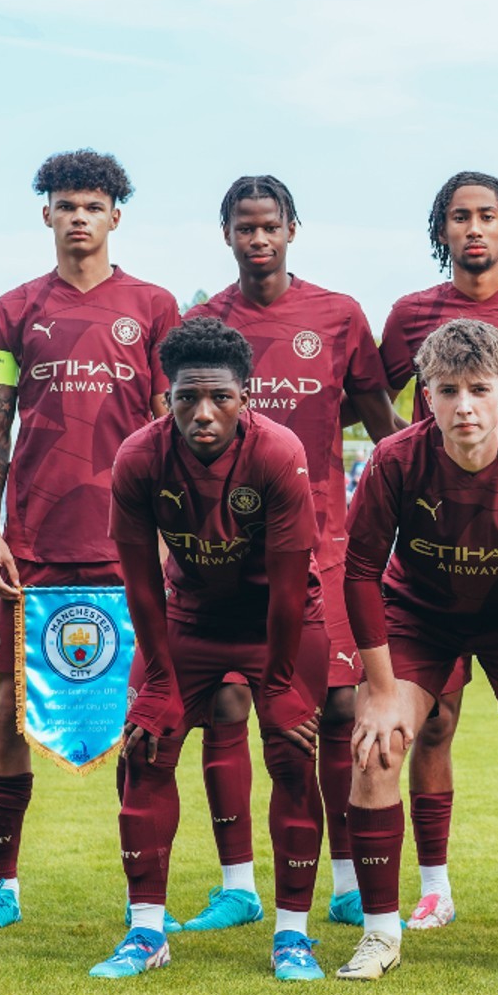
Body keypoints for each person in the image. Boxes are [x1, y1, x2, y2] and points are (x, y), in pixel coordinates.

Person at [0, 149, 188, 936]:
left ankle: (144, 902)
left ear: (116, 215)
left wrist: (174, 537)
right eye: (66, 205)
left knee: (147, 721)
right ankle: (2, 888)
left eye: (94, 204)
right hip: (33, 547)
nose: (80, 216)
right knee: (6, 709)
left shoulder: (155, 308)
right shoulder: (14, 309)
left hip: (132, 552)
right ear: (47, 215)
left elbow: (175, 434)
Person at [337, 319, 498, 982]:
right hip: (421, 617)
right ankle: (378, 934)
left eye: (478, 389)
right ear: (426, 394)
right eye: (448, 390)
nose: (463, 406)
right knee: (377, 746)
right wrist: (379, 690)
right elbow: (360, 573)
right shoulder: (395, 461)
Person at [187, 175, 404, 934]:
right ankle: (239, 885)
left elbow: (384, 420)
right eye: (244, 227)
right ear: (227, 235)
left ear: (292, 229)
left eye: (270, 226)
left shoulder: (338, 317)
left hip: (324, 543)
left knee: (341, 707)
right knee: (227, 704)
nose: (258, 239)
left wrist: (418, 490)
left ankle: (346, 881)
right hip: (224, 552)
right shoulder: (203, 324)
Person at [93, 318, 327, 981]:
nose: (203, 413)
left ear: (245, 397)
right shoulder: (139, 458)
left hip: (278, 622)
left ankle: (291, 935)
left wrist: (280, 683)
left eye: (219, 398)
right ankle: (145, 933)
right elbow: (140, 583)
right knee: (145, 748)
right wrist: (160, 681)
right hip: (190, 616)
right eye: (186, 398)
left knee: (291, 751)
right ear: (165, 398)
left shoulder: (278, 454)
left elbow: (287, 589)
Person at [377, 171, 498, 928]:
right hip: (433, 548)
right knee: (432, 723)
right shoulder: (409, 315)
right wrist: (406, 454)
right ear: (442, 231)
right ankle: (434, 884)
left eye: (488, 215)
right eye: (459, 217)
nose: (475, 229)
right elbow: (372, 391)